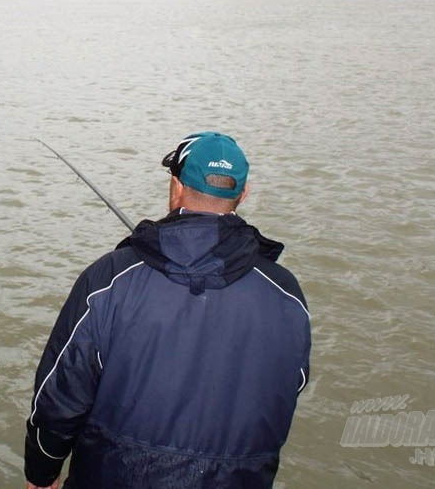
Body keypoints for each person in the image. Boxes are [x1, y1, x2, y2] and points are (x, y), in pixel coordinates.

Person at [24, 132, 311, 489]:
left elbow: (60, 397)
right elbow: (290, 387)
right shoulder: (286, 293)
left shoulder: (110, 278)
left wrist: (42, 472)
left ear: (176, 187)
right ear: (244, 193)